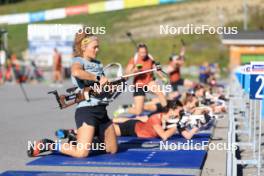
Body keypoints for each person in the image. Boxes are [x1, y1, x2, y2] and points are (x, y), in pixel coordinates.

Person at [28, 27, 118, 158]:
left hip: (102, 111)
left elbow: (103, 89)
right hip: (87, 111)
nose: (97, 50)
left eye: (98, 47)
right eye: (95, 47)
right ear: (84, 47)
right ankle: (49, 144)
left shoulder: (98, 64)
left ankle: (78, 137)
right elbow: (77, 73)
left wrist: (111, 88)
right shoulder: (78, 61)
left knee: (112, 149)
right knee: (81, 153)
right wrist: (98, 78)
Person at [114, 43, 167, 116]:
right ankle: (124, 109)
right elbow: (126, 75)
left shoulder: (150, 58)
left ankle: (166, 113)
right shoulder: (134, 60)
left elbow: (157, 69)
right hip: (138, 85)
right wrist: (135, 70)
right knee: (138, 111)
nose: (143, 54)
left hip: (149, 82)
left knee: (161, 94)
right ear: (138, 52)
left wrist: (162, 77)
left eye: (145, 52)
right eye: (141, 52)